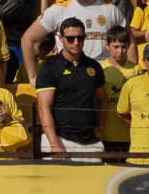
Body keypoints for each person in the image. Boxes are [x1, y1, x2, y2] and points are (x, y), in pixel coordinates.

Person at [35, 14, 109, 161]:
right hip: (60, 140)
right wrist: (54, 144)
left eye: (80, 38)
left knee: (91, 185)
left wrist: (100, 128)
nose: (76, 42)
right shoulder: (49, 68)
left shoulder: (94, 67)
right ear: (61, 38)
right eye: (70, 39)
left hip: (90, 142)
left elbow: (102, 100)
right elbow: (44, 108)